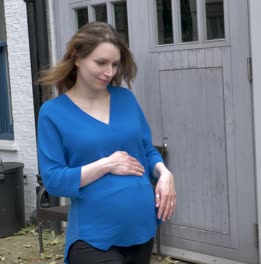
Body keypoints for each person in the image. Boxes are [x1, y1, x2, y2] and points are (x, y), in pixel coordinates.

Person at [36, 22, 176, 264]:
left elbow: (145, 150)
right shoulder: (53, 113)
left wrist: (164, 174)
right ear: (77, 57)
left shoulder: (126, 99)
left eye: (114, 64)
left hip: (141, 231)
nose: (109, 72)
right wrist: (106, 164)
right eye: (100, 63)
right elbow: (54, 181)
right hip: (93, 239)